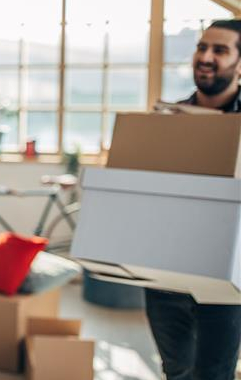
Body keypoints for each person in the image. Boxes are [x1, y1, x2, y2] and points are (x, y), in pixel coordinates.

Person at [145, 19, 241, 380]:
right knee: (177, 370)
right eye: (202, 47)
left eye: (220, 50)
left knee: (214, 373)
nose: (206, 57)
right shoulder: (169, 121)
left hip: (226, 278)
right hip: (165, 274)